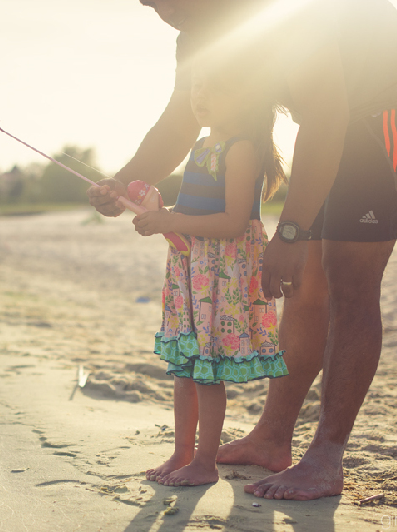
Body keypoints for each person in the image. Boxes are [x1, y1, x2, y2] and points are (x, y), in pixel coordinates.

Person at [88, 0, 397, 500]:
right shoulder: (196, 33)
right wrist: (124, 182)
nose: (156, 8)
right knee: (305, 287)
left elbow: (324, 115)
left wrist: (291, 233)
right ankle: (273, 439)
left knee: (348, 277)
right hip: (332, 118)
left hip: (387, 108)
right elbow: (181, 118)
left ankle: (325, 458)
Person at [134, 53, 288, 487]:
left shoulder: (240, 148)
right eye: (196, 87)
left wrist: (172, 221)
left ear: (245, 97)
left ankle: (204, 463)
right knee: (185, 366)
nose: (200, 96)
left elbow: (233, 222)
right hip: (190, 269)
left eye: (213, 88)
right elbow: (187, 220)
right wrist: (157, 215)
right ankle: (183, 454)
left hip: (222, 274)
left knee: (208, 368)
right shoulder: (201, 146)